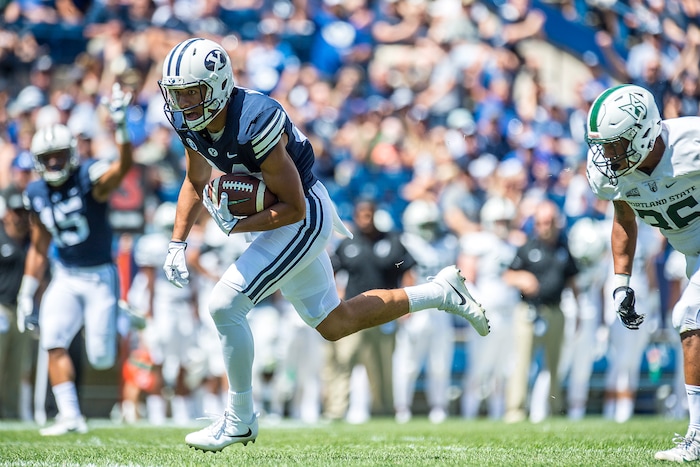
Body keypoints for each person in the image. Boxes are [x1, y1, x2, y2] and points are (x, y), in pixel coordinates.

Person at [158, 37, 489, 452]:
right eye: (177, 94)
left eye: (191, 92)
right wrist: (177, 242)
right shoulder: (192, 121)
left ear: (219, 84)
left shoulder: (255, 121)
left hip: (305, 214)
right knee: (335, 324)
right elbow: (195, 179)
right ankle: (439, 291)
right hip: (280, 218)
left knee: (225, 305)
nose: (184, 103)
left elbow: (294, 207)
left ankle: (240, 418)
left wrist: (236, 225)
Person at [585, 83, 700, 462]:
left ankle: (697, 437)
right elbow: (624, 219)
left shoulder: (691, 143)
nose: (606, 154)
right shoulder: (614, 174)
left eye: (615, 144)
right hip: (694, 256)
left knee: (688, 317)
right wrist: (621, 284)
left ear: (645, 132)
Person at [17, 84, 133, 436]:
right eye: (47, 157)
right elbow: (39, 245)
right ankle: (71, 416)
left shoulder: (88, 177)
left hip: (100, 276)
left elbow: (122, 167)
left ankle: (122, 313)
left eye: (58, 155)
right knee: (53, 339)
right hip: (65, 274)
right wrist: (27, 290)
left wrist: (122, 128)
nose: (53, 162)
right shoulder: (36, 192)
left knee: (100, 357)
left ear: (70, 153)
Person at [502, 199, 579, 423]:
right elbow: (508, 275)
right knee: (522, 361)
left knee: (554, 364)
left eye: (549, 222)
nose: (546, 227)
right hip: (528, 310)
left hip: (556, 310)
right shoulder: (527, 248)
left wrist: (580, 310)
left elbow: (572, 281)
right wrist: (522, 278)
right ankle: (515, 410)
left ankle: (554, 409)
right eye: (542, 222)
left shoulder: (564, 249)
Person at [0, 184, 32, 419]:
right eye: (17, 211)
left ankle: (11, 416)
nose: (21, 217)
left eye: (24, 212)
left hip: (20, 309)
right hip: (1, 308)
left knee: (17, 368)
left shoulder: (31, 240)